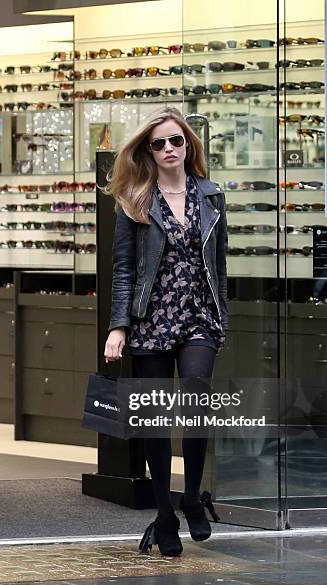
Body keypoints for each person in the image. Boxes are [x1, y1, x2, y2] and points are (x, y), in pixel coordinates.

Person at [103, 107, 228, 557]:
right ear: (148, 151)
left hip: (198, 314)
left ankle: (192, 496)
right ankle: (164, 513)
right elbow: (123, 269)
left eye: (176, 141)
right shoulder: (135, 199)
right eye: (159, 144)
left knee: (196, 400)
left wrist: (221, 318)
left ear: (188, 144)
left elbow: (220, 266)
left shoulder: (212, 195)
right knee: (155, 419)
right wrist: (118, 327)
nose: (169, 149)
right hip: (151, 317)